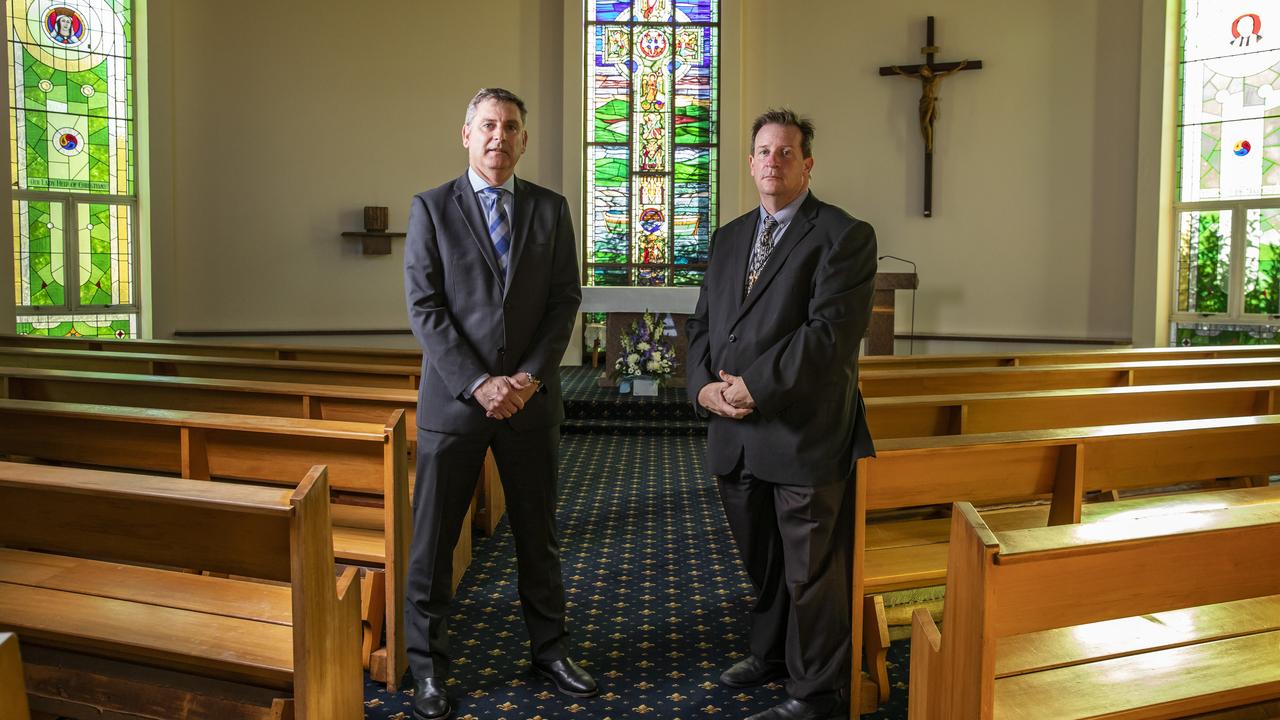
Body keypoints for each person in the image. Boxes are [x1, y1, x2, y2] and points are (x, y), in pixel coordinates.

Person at [403, 87, 594, 720]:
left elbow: (564, 299)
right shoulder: (432, 208)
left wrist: (530, 378)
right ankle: (428, 669)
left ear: (524, 140)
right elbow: (425, 309)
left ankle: (551, 649)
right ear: (465, 134)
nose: (498, 137)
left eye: (510, 127)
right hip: (456, 406)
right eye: (488, 125)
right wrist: (479, 383)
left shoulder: (549, 208)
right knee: (433, 543)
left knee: (538, 537)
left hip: (530, 404)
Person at [686, 109, 877, 720]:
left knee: (810, 572)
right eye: (763, 151)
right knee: (763, 562)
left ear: (808, 164)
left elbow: (828, 337)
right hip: (734, 434)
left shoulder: (844, 235)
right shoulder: (729, 237)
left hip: (801, 434)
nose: (773, 161)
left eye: (787, 152)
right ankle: (769, 653)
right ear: (750, 162)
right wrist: (701, 390)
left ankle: (817, 692)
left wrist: (753, 388)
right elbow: (701, 325)